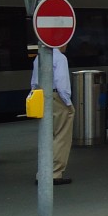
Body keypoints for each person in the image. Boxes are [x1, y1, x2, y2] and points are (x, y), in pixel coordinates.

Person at [30, 43, 74, 185]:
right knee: (61, 135)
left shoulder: (39, 57)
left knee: (47, 136)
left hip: (41, 96)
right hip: (57, 98)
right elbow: (62, 83)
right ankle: (55, 173)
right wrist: (67, 103)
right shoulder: (60, 58)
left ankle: (42, 172)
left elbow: (34, 82)